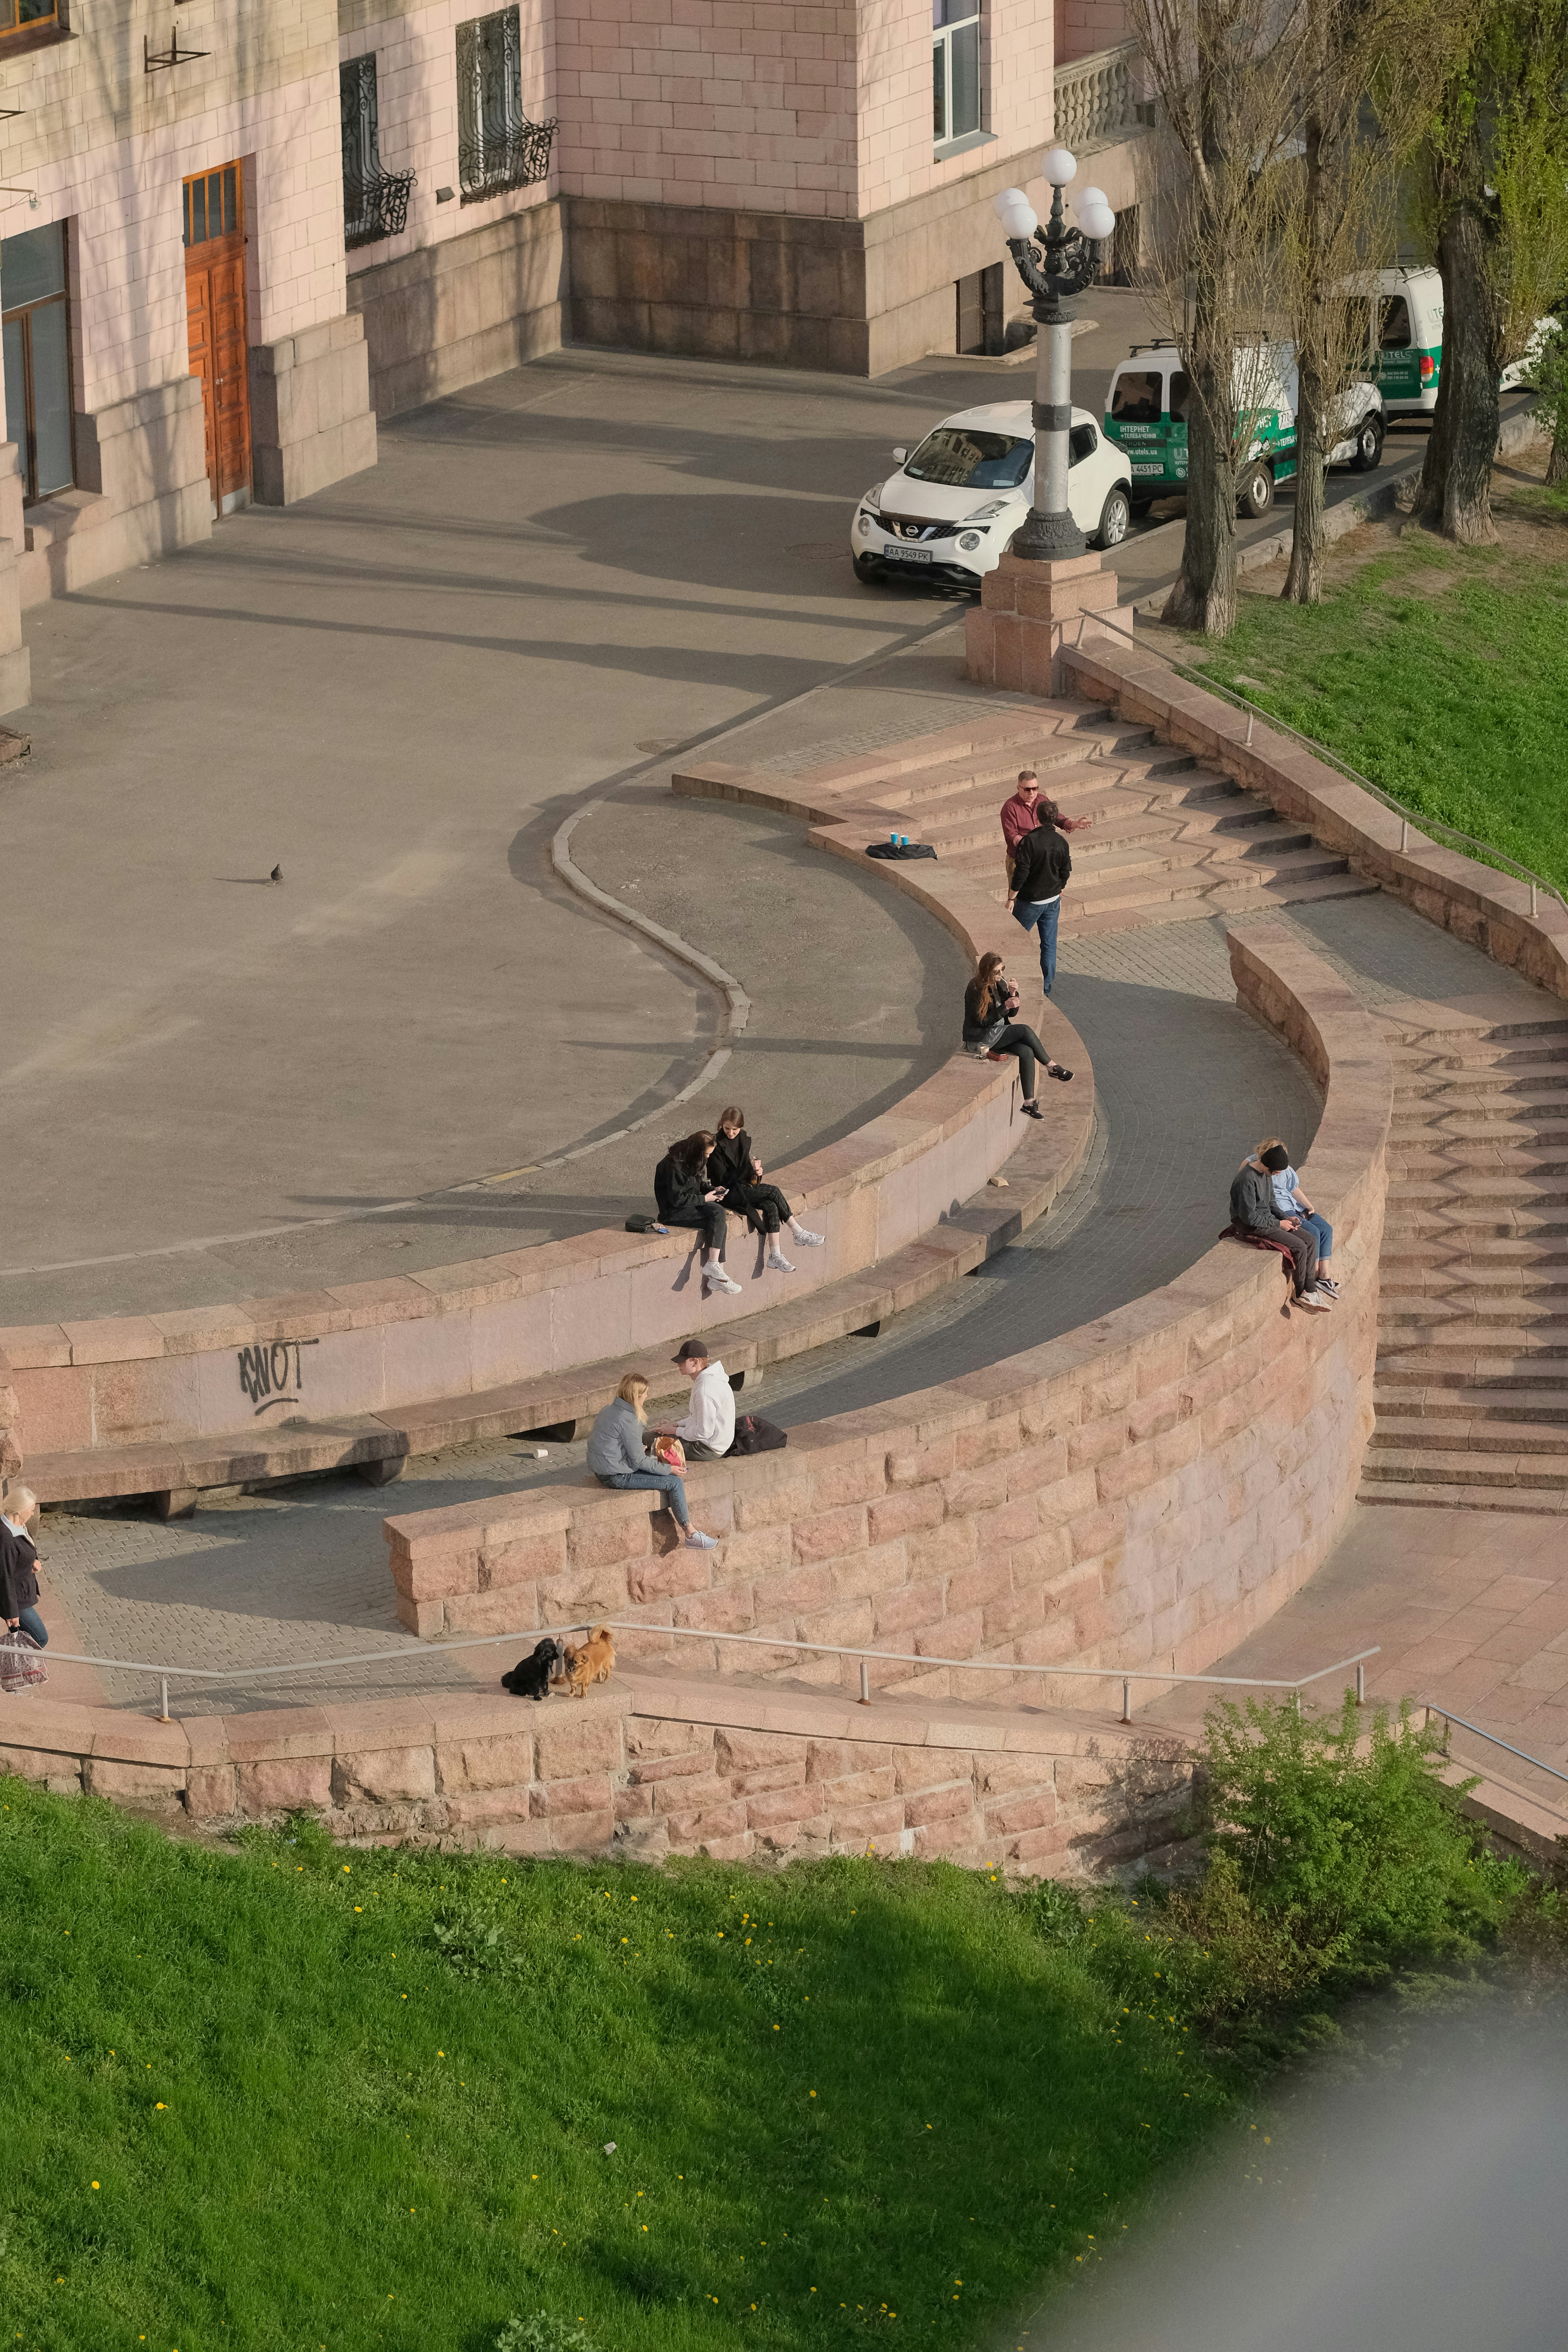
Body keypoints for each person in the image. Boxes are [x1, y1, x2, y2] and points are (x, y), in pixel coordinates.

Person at [586, 1375, 718, 1549]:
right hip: (616, 1475)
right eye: (646, 1393)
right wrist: (669, 1469)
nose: (647, 1397)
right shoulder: (630, 1419)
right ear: (637, 1396)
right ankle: (691, 1534)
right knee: (675, 1483)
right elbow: (639, 1461)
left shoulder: (608, 1410)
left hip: (602, 1468)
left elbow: (610, 1442)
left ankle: (691, 1534)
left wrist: (632, 1449)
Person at [708, 1108, 825, 1274]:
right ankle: (798, 1232)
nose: (731, 1133)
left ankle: (775, 1256)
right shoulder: (716, 1145)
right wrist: (749, 1168)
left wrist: (757, 1172)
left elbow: (745, 1171)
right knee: (774, 1191)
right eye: (727, 1128)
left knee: (771, 1205)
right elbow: (722, 1180)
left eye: (735, 1129)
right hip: (727, 1193)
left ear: (741, 1127)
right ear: (722, 1124)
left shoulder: (743, 1139)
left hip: (744, 1188)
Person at [962, 952, 1071, 1120]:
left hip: (998, 1032)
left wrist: (1012, 994)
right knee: (1024, 1030)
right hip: (981, 1037)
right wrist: (1005, 1006)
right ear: (987, 972)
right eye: (997, 972)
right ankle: (1052, 1067)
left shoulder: (1001, 983)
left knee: (1027, 1051)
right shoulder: (975, 988)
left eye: (1002, 970)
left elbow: (1012, 1014)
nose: (1001, 974)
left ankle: (1029, 1103)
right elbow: (981, 1021)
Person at [1228, 1155, 1330, 1309]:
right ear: (1268, 1165)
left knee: (1311, 1240)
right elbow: (1250, 1218)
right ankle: (1300, 1294)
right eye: (1277, 1171)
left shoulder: (1266, 1174)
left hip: (1269, 1219)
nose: (1278, 1175)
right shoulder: (1246, 1180)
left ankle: (1310, 1289)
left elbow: (1272, 1203)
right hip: (1253, 1226)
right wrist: (1279, 1224)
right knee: (1300, 1246)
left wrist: (1286, 1218)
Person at [653, 1130, 741, 1297]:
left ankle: (716, 1275)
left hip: (689, 1205)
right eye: (707, 1154)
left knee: (719, 1223)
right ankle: (714, 1266)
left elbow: (697, 1185)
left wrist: (712, 1190)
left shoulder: (693, 1159)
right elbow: (677, 1200)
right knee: (718, 1213)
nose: (708, 1158)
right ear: (698, 1151)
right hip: (673, 1213)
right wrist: (705, 1199)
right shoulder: (674, 1165)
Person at [1257, 1138, 1340, 1299]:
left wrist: (1309, 1207)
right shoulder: (1257, 1166)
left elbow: (1294, 1189)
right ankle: (1315, 1275)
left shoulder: (1285, 1168)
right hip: (1282, 1209)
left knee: (1326, 1229)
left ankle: (1324, 1275)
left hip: (1295, 1206)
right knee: (1313, 1233)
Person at [1008, 802, 1073, 997]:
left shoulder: (1030, 841)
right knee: (1049, 944)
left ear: (1037, 817)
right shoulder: (1061, 842)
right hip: (1053, 900)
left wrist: (1012, 897)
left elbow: (1022, 872)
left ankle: (1010, 981)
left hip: (1030, 901)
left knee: (1015, 940)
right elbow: (1066, 871)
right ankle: (1046, 986)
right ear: (1054, 818)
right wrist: (1060, 889)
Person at [1000, 767, 1092, 900]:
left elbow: (1057, 817)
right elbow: (1012, 837)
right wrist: (1033, 845)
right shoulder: (1010, 807)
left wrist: (1073, 824)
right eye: (1027, 789)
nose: (1032, 793)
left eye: (1035, 789)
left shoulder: (1042, 800)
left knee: (1046, 896)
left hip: (1043, 858)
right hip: (1021, 860)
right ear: (1018, 788)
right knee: (1018, 899)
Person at [651, 1338, 736, 1461]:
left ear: (696, 1362)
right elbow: (697, 1419)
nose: (678, 1365)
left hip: (706, 1449)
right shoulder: (707, 1380)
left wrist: (673, 1431)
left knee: (650, 1440)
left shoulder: (705, 1391)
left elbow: (704, 1433)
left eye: (682, 1361)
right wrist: (675, 1424)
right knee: (654, 1437)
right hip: (713, 1443)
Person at [0, 1485, 46, 1649]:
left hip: (22, 1593)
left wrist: (35, 1562)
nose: (33, 1514)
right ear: (20, 1510)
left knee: (20, 1639)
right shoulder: (6, 1538)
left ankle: (13, 1664)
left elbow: (27, 1549)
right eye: (31, 1510)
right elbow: (5, 1575)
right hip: (16, 1600)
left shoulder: (20, 1526)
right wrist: (12, 1612)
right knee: (40, 1638)